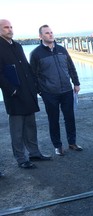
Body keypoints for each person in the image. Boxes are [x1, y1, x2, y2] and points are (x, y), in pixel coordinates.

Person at [0, 19, 51, 169]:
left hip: (28, 91)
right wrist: (11, 90)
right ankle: (21, 159)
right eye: (5, 27)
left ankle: (34, 152)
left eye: (11, 27)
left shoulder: (17, 45)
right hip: (14, 94)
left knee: (30, 125)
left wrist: (34, 86)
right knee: (17, 129)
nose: (9, 30)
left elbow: (27, 67)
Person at [30, 25, 82, 156]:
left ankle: (72, 142)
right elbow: (33, 75)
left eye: (51, 32)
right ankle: (58, 146)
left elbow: (71, 67)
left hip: (66, 90)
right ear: (40, 36)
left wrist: (76, 83)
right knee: (53, 120)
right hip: (49, 93)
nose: (50, 35)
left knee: (69, 117)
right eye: (47, 33)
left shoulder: (62, 50)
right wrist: (40, 91)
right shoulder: (36, 54)